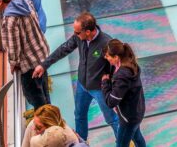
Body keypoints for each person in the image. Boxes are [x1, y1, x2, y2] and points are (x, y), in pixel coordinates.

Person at [33, 12, 118, 142]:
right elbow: (64, 49)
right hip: (82, 85)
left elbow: (116, 67)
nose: (75, 35)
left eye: (77, 32)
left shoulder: (106, 43)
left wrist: (111, 88)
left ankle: (124, 141)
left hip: (100, 89)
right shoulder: (79, 38)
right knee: (79, 115)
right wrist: (44, 65)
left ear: (88, 32)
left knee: (111, 118)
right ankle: (81, 142)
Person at [0, 0, 50, 109]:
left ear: (0, 1)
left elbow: (13, 47)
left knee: (37, 99)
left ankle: (47, 122)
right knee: (44, 91)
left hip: (30, 65)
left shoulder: (10, 19)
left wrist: (13, 63)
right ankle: (50, 115)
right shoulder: (24, 1)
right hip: (42, 55)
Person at [101, 40, 147, 147]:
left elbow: (111, 102)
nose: (105, 58)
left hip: (128, 118)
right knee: (137, 138)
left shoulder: (122, 75)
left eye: (108, 56)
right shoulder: (130, 64)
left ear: (116, 57)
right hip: (136, 112)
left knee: (121, 144)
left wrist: (105, 83)